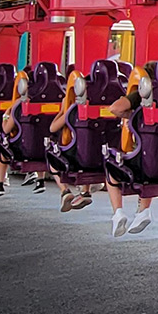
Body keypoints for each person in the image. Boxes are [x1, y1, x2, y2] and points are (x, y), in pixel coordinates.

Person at [103, 63, 156, 237]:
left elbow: (115, 108)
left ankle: (118, 213)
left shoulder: (142, 94)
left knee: (111, 164)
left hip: (145, 165)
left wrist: (134, 116)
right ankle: (143, 210)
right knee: (153, 157)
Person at [45, 65, 94, 212]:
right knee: (89, 142)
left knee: (51, 155)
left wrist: (65, 111)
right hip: (97, 153)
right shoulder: (96, 102)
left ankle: (65, 191)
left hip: (76, 155)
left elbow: (53, 128)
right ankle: (85, 191)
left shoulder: (71, 106)